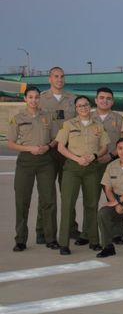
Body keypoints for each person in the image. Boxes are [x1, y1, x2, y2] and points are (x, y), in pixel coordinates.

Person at [55, 96, 110, 255]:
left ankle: (93, 240)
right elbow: (60, 147)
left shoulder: (98, 126)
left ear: (90, 106)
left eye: (86, 105)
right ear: (76, 109)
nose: (83, 108)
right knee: (68, 205)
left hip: (92, 168)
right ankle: (64, 243)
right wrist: (77, 159)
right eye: (80, 106)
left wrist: (94, 155)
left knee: (92, 204)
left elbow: (104, 147)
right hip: (72, 168)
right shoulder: (68, 125)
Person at [8, 86, 58, 251]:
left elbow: (55, 139)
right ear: (25, 99)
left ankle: (50, 238)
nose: (34, 100)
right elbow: (11, 143)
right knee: (22, 201)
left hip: (45, 161)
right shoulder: (17, 118)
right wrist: (30, 149)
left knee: (48, 200)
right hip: (26, 161)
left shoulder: (48, 117)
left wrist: (48, 147)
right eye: (30, 97)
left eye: (37, 97)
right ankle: (20, 240)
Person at [39, 66, 78, 242]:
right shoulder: (40, 99)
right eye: (56, 76)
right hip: (47, 150)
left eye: (62, 76)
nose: (59, 79)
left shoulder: (73, 99)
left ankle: (71, 228)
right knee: (46, 193)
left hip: (68, 150)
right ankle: (42, 230)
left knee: (68, 191)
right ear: (50, 79)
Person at [92, 87, 123, 245]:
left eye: (108, 98)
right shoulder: (88, 117)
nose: (104, 100)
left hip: (113, 164)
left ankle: (117, 234)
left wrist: (112, 155)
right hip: (92, 165)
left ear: (112, 101)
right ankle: (90, 233)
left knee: (115, 198)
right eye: (101, 97)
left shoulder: (119, 119)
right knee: (91, 200)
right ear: (96, 100)